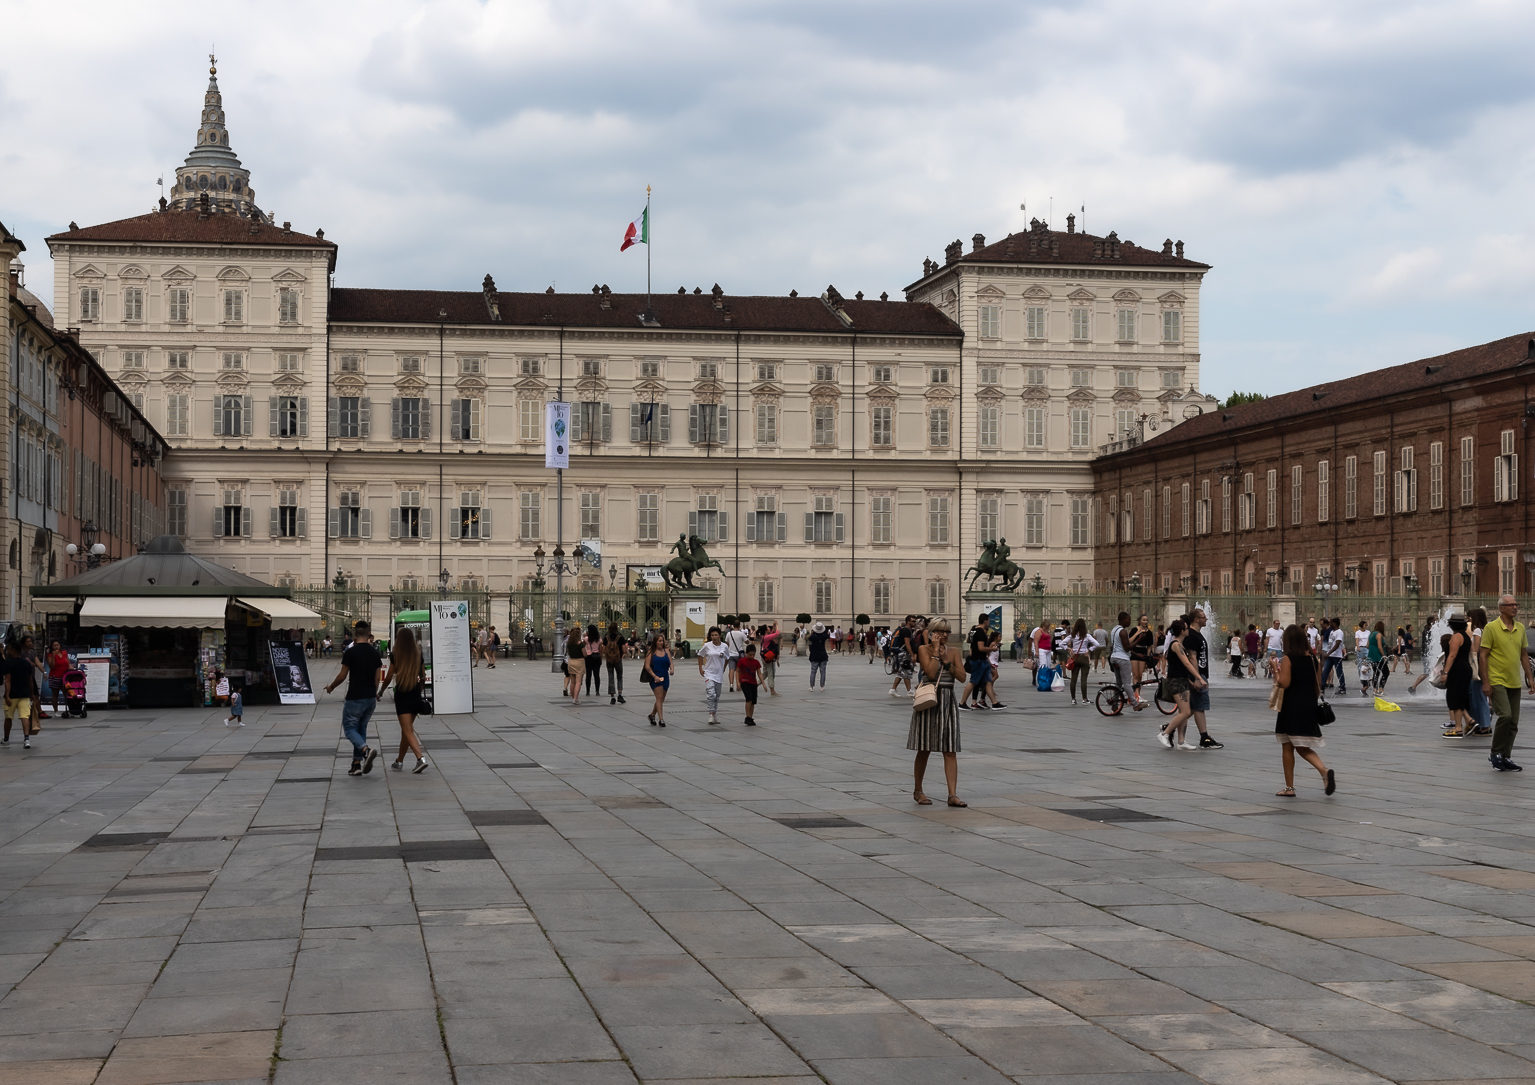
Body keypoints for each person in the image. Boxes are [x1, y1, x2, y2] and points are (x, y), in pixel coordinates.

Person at [908, 618, 967, 807]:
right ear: (932, 632)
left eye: (947, 631)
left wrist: (947, 662)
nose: (944, 635)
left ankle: (952, 795)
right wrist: (935, 653)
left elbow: (962, 677)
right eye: (940, 631)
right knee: (924, 748)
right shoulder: (923, 650)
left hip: (948, 701)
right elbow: (931, 674)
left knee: (949, 749)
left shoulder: (955, 652)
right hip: (929, 702)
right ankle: (918, 791)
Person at [1273, 622, 1335, 797]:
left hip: (1291, 706)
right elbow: (1318, 685)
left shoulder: (1288, 659)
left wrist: (1275, 672)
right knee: (1297, 744)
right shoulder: (1312, 659)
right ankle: (1317, 775)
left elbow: (1283, 683)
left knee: (1289, 745)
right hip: (1308, 704)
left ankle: (1320, 773)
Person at [323, 621, 385, 777]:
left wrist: (331, 687)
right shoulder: (375, 653)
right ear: (368, 634)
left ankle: (365, 750)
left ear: (355, 635)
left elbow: (342, 675)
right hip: (370, 697)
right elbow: (377, 677)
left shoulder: (351, 653)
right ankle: (356, 764)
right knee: (361, 728)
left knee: (350, 728)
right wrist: (375, 692)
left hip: (355, 696)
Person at [1481, 595, 1535, 771]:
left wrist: (1530, 678)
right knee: (1505, 715)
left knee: (1513, 722)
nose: (1515, 607)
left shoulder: (1520, 628)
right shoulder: (1491, 628)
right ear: (1501, 608)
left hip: (1514, 681)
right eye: (1510, 605)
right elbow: (1483, 655)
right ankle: (1495, 752)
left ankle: (1506, 756)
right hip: (1497, 680)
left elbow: (1523, 655)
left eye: (1515, 604)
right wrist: (1486, 682)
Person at [380, 626, 430, 773]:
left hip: (402, 693)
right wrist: (419, 689)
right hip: (415, 693)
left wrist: (381, 691)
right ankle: (399, 761)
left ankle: (420, 759)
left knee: (408, 730)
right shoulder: (418, 655)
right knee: (405, 731)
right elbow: (423, 676)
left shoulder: (396, 655)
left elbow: (389, 676)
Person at [1155, 620, 1203, 750]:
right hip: (1176, 681)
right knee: (1186, 712)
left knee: (1184, 712)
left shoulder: (1180, 645)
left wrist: (1191, 681)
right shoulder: (1175, 644)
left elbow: (1180, 667)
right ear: (1182, 631)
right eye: (1187, 628)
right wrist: (1199, 678)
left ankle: (1181, 742)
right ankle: (1165, 733)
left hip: (1182, 680)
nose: (1188, 630)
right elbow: (1187, 664)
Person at [1440, 616, 1473, 738]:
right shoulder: (1467, 637)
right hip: (1465, 668)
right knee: (1459, 696)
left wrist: (1445, 673)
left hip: (1457, 670)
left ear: (1452, 625)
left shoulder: (1456, 637)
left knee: (1455, 697)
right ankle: (1469, 720)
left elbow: (1452, 656)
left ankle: (1458, 728)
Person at [958, 613, 994, 711]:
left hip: (978, 659)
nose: (989, 623)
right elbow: (981, 648)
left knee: (988, 680)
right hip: (979, 660)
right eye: (989, 621)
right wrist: (991, 649)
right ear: (985, 621)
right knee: (973, 682)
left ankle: (995, 703)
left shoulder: (973, 630)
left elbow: (969, 640)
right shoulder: (981, 632)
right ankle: (962, 703)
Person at [3, 643, 34, 748]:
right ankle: (26, 739)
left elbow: (8, 680)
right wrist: (32, 693)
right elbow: (30, 680)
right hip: (24, 694)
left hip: (12, 695)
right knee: (24, 716)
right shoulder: (26, 663)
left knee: (8, 718)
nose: (7, 651)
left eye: (9, 649)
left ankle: (6, 739)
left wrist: (7, 695)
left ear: (13, 650)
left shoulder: (8, 663)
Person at [697, 625, 730, 725]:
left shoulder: (724, 646)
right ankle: (711, 714)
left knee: (717, 695)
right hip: (709, 673)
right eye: (712, 635)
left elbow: (727, 658)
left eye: (716, 635)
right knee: (711, 693)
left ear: (720, 635)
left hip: (718, 674)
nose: (714, 637)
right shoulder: (707, 646)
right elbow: (700, 655)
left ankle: (715, 713)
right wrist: (700, 668)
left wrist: (724, 668)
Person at [1108, 611, 1140, 710]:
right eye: (1128, 620)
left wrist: (1136, 654)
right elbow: (1127, 648)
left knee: (1118, 683)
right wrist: (1139, 639)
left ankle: (1115, 705)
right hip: (1122, 659)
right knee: (1126, 683)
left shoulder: (1114, 630)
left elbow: (1119, 646)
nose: (1129, 622)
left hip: (1114, 657)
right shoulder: (1123, 631)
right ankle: (1135, 704)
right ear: (1123, 620)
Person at [640, 634, 673, 726]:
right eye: (659, 641)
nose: (661, 643)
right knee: (659, 697)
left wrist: (672, 669)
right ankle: (661, 719)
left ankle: (652, 715)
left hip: (665, 677)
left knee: (661, 699)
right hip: (655, 677)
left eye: (662, 641)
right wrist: (654, 676)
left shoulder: (666, 651)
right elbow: (647, 666)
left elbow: (670, 662)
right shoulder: (651, 652)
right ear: (655, 642)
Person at [1066, 618, 1093, 706]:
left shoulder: (1072, 635)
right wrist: (1088, 650)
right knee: (1083, 679)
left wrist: (1069, 649)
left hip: (1075, 658)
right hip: (1084, 658)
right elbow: (1097, 644)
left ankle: (1073, 699)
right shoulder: (1087, 636)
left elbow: (1061, 643)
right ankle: (1084, 699)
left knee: (1073, 679)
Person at [889, 616, 917, 697]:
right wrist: (912, 655)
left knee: (902, 672)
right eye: (913, 621)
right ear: (908, 622)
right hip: (904, 653)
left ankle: (893, 689)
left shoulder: (907, 630)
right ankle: (909, 691)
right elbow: (907, 643)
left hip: (902, 653)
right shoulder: (906, 631)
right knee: (906, 672)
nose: (914, 623)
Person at [1321, 617, 1348, 695]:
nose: (1330, 624)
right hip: (1330, 655)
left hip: (1336, 656)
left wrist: (1328, 653)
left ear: (1335, 623)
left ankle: (1342, 688)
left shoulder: (1339, 632)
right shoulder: (1332, 632)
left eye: (1331, 622)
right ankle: (1322, 687)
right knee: (1325, 671)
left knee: (1339, 672)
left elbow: (1337, 644)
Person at [737, 643, 762, 725]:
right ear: (746, 653)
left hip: (753, 682)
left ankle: (751, 717)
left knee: (753, 701)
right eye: (750, 655)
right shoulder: (742, 661)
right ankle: (747, 717)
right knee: (749, 699)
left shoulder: (756, 662)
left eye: (753, 655)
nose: (751, 656)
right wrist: (738, 682)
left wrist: (763, 683)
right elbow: (738, 671)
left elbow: (759, 673)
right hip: (744, 682)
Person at [603, 624, 626, 705]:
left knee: (610, 676)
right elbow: (624, 649)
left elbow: (603, 649)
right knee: (619, 676)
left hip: (609, 660)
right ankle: (620, 695)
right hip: (618, 659)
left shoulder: (606, 638)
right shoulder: (620, 638)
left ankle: (612, 697)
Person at [46, 641, 69, 717]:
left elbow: (67, 663)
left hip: (64, 677)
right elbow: (51, 666)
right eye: (54, 645)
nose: (56, 647)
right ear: (52, 647)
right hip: (55, 676)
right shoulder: (50, 655)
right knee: (55, 694)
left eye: (57, 645)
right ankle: (56, 711)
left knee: (67, 693)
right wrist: (53, 656)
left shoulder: (64, 653)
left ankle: (70, 709)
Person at [724, 620, 748, 692]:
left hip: (731, 654)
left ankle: (731, 685)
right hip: (739, 655)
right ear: (739, 626)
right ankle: (738, 684)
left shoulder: (729, 634)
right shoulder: (741, 634)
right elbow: (747, 641)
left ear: (733, 626)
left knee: (731, 670)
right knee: (739, 670)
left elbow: (726, 643)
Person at [1367, 620, 1390, 695]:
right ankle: (1381, 687)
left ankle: (1375, 689)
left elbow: (1367, 646)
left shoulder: (1371, 634)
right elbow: (1380, 647)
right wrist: (1384, 656)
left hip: (1371, 655)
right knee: (1386, 672)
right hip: (1378, 655)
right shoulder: (1379, 634)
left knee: (1376, 672)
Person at [806, 621, 830, 691]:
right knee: (823, 672)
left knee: (813, 671)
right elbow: (827, 635)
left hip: (814, 655)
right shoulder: (824, 636)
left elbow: (808, 640)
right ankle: (822, 687)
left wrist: (812, 633)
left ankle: (811, 686)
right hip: (823, 655)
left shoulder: (812, 637)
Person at [564, 627, 584, 702]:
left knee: (572, 682)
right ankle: (575, 698)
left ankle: (573, 697)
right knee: (578, 682)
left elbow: (568, 653)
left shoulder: (569, 644)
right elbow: (584, 654)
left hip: (571, 661)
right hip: (579, 662)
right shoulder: (580, 644)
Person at [760, 624, 781, 696]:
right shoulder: (767, 637)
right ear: (766, 630)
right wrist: (777, 625)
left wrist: (774, 625)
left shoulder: (764, 637)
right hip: (768, 657)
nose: (769, 628)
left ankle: (755, 684)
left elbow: (772, 634)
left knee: (765, 673)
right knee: (770, 673)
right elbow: (777, 633)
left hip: (764, 657)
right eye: (768, 628)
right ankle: (772, 690)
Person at [583, 624, 603, 697]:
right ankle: (597, 691)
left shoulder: (586, 639)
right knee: (596, 675)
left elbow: (582, 646)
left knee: (588, 674)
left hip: (588, 657)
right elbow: (601, 650)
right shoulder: (599, 639)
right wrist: (601, 659)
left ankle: (588, 691)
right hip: (596, 657)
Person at [1354, 621, 1372, 696]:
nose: (1366, 626)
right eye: (1365, 625)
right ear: (1362, 626)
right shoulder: (1358, 632)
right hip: (1361, 648)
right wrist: (1358, 647)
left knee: (1368, 662)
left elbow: (1369, 640)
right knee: (1360, 663)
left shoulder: (1368, 632)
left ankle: (1369, 676)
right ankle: (1361, 678)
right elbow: (1357, 640)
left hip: (1366, 648)